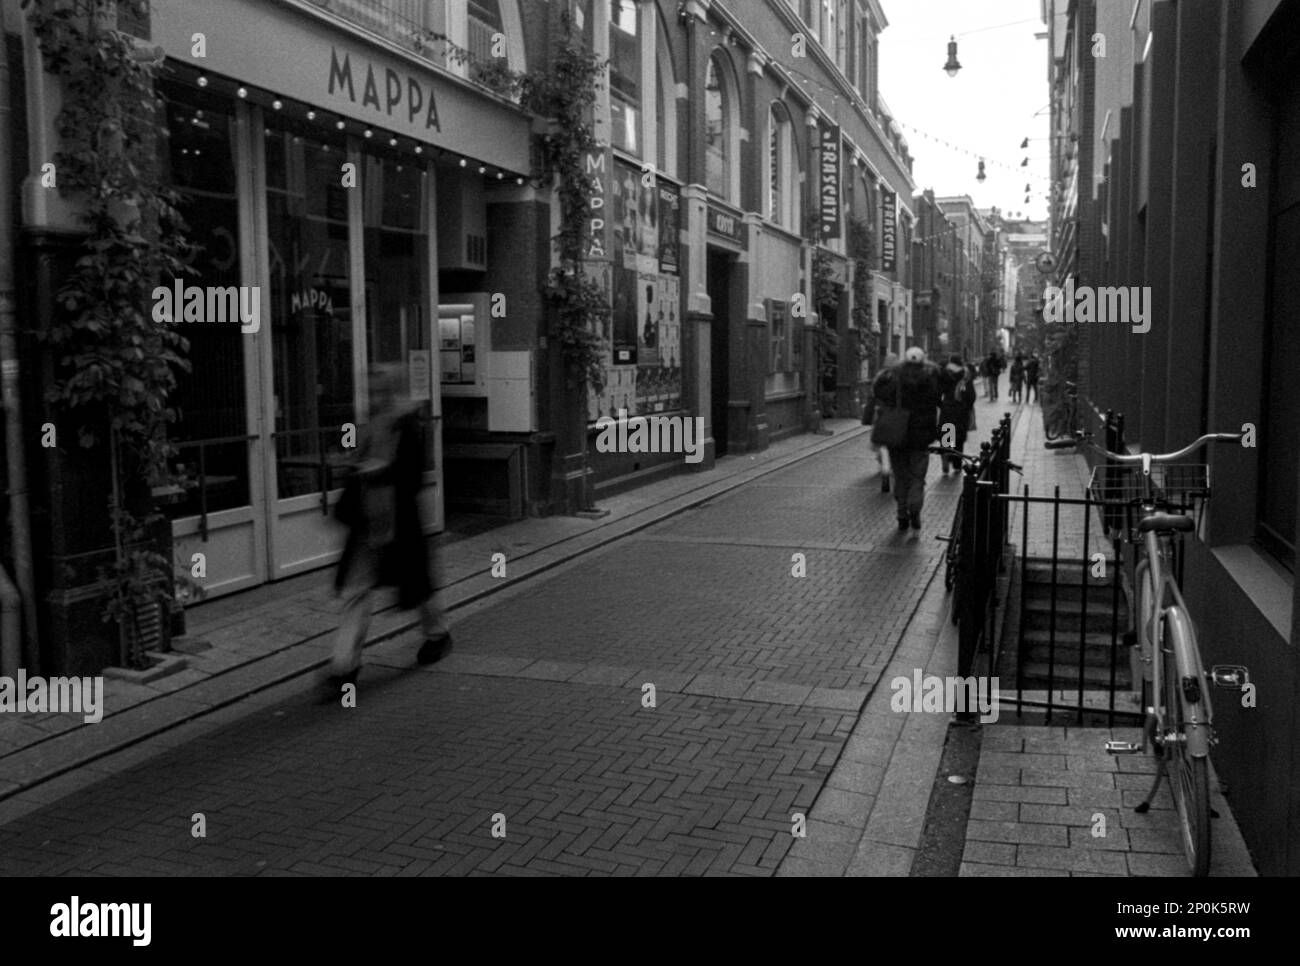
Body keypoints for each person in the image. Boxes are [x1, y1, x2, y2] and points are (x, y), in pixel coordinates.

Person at [328, 364, 451, 687]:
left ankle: (437, 634)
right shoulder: (372, 424)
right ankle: (344, 667)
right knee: (357, 592)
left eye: (381, 389)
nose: (375, 395)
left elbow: (410, 476)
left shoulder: (410, 423)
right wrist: (353, 464)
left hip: (400, 524)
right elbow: (361, 460)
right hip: (367, 524)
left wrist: (376, 470)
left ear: (394, 388)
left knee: (417, 587)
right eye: (372, 389)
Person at [872, 346, 953, 532]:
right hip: (921, 439)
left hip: (897, 436)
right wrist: (935, 367)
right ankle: (915, 509)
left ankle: (902, 515)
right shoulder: (930, 381)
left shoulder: (895, 379)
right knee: (918, 478)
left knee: (900, 477)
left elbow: (878, 390)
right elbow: (948, 382)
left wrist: (891, 371)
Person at [938, 354, 978, 475]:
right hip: (961, 412)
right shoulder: (965, 376)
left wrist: (942, 404)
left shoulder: (944, 373)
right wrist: (968, 407)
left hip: (948, 410)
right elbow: (971, 395)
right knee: (959, 438)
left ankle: (945, 456)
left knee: (947, 436)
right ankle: (957, 464)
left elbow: (937, 391)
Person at [866, 353, 900, 493]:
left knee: (883, 443)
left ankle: (885, 466)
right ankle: (952, 459)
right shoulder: (901, 377)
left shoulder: (880, 377)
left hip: (882, 413)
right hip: (897, 416)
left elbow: (873, 393)